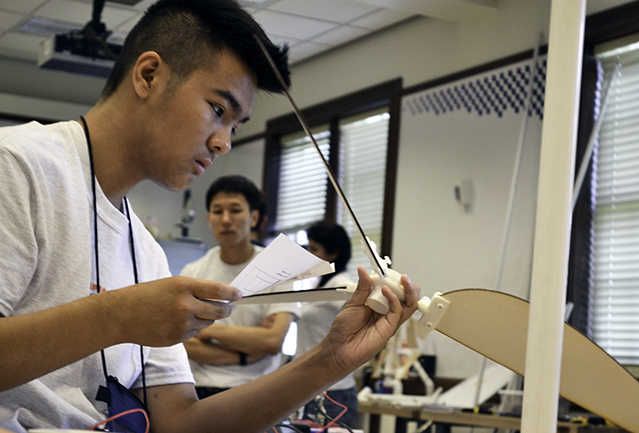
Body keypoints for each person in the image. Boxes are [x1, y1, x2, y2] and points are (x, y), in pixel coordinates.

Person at [0, 0, 422, 432]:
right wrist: (118, 315)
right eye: (218, 110)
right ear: (149, 75)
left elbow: (183, 422)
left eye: (236, 127)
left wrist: (330, 359)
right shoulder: (17, 168)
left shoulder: (144, 253)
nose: (224, 144)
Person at [181, 175, 300, 399]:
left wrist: (205, 328)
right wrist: (244, 355)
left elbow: (272, 341)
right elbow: (182, 343)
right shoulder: (192, 273)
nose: (226, 220)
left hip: (258, 391)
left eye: (235, 210)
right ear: (208, 219)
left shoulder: (279, 271)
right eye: (217, 211)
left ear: (254, 217)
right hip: (199, 391)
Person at [296, 221, 358, 428]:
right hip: (309, 386)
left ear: (332, 254)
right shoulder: (319, 284)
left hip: (333, 391)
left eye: (314, 249)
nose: (308, 254)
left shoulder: (343, 286)